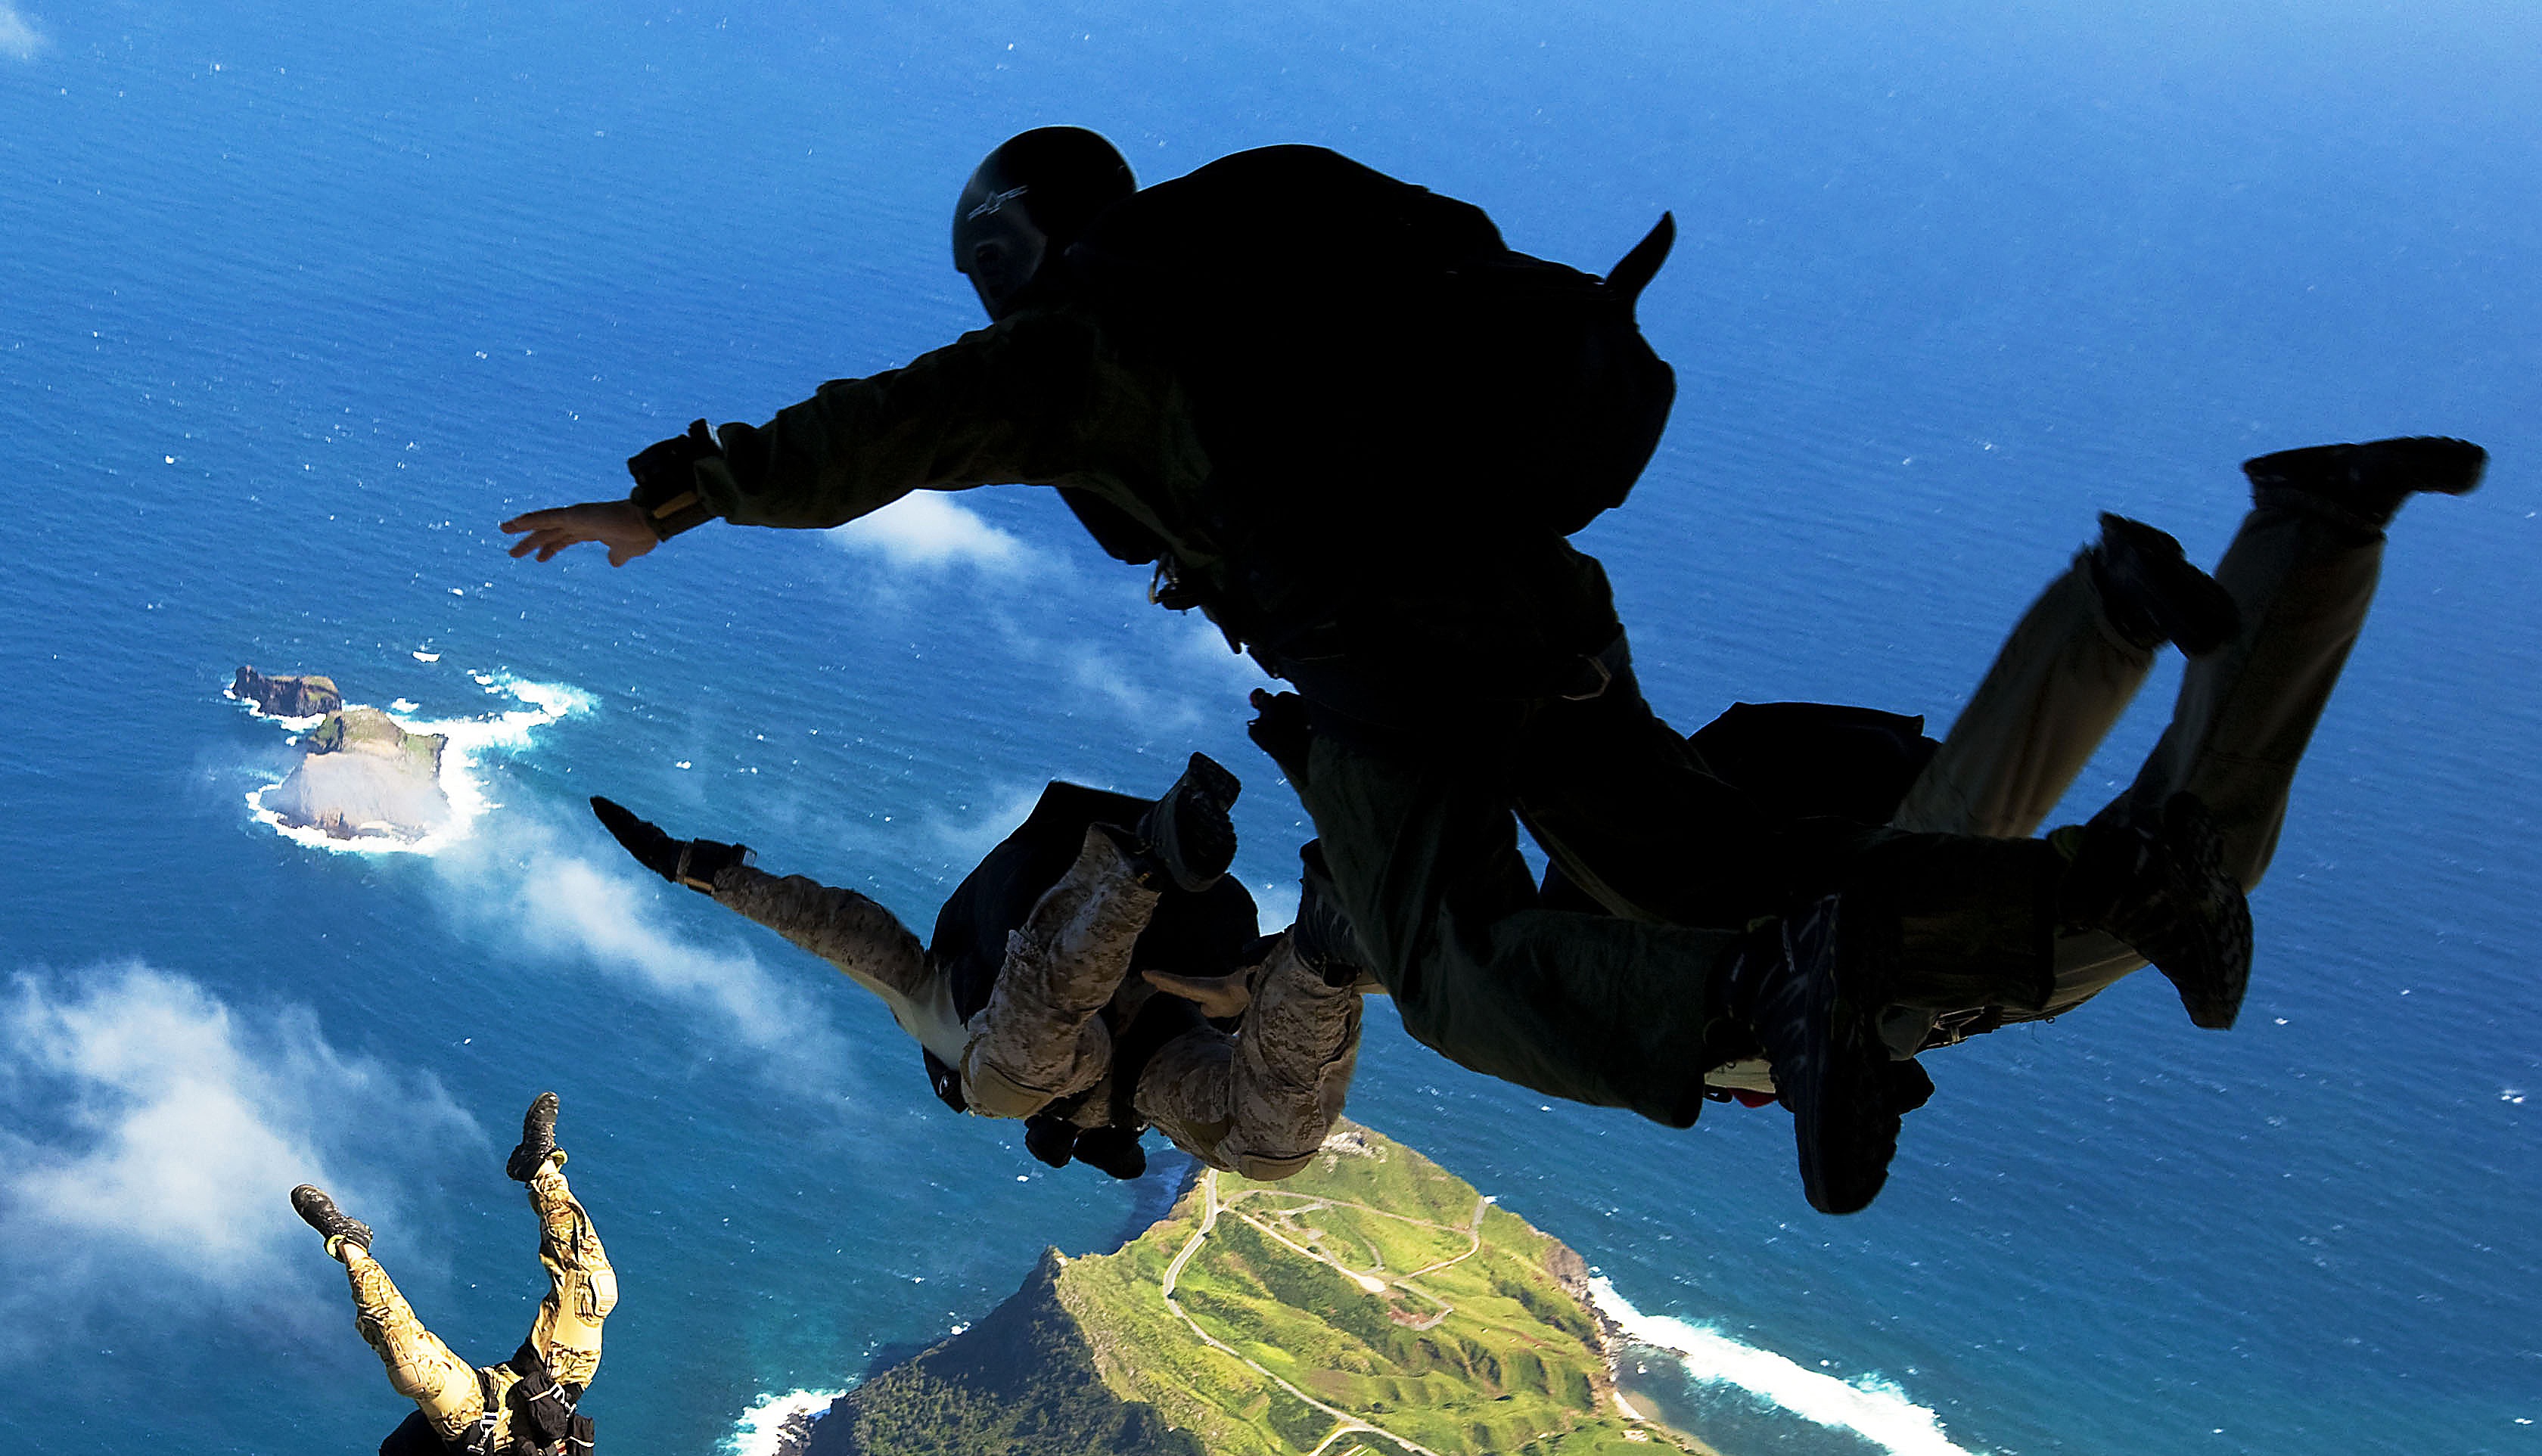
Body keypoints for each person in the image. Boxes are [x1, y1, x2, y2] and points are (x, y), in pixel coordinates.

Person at [500, 129, 2246, 1203]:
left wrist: (673, 500)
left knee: (1464, 970)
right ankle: (2114, 885)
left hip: (1386, 663)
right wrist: (702, 865)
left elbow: (873, 435)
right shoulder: (1288, 209)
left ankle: (1770, 996)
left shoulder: (1077, 343)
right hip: (1533, 599)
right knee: (1708, 858)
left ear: (1018, 255)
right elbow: (1474, 268)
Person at [1680, 436, 2487, 1206]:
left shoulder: (1716, 1023)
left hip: (1835, 918)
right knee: (2152, 850)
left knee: (2174, 854)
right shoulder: (1726, 1038)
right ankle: (2265, 541)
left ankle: (2239, 556)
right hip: (1876, 918)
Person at [590, 754, 1368, 1181]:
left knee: (1014, 1072)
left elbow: (838, 930)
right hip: (1168, 1002)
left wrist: (702, 870)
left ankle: (1137, 866)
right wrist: (1291, 982)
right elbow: (837, 929)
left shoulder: (940, 1019)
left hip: (1069, 906)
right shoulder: (1123, 1100)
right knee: (1268, 1150)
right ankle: (1322, 953)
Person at [289, 1094, 618, 1456]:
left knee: (406, 1357)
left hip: (479, 1425)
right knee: (595, 1290)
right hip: (548, 1394)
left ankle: (347, 1242)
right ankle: (540, 1168)